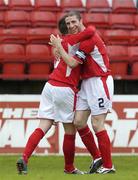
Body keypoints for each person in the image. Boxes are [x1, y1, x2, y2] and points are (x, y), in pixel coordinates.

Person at [16, 17, 101, 175]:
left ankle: (24, 158)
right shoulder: (74, 40)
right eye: (70, 24)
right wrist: (80, 25)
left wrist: (57, 42)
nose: (72, 26)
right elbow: (90, 31)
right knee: (70, 131)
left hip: (49, 86)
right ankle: (69, 167)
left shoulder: (60, 41)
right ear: (67, 28)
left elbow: (60, 50)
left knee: (43, 126)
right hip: (65, 87)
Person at [50, 11, 116, 174]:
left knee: (97, 123)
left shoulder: (89, 40)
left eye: (74, 22)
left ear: (81, 21)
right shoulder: (81, 39)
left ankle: (108, 166)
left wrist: (59, 46)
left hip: (100, 81)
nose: (71, 26)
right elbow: (69, 48)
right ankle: (97, 157)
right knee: (78, 121)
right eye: (68, 24)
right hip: (86, 83)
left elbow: (72, 63)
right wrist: (58, 49)